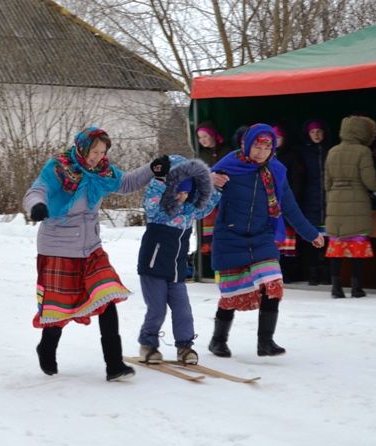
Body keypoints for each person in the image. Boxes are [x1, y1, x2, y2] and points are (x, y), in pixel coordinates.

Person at [23, 126, 152, 382]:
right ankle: (46, 347)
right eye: (94, 151)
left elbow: (127, 183)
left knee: (106, 297)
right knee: (59, 310)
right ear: (82, 147)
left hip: (90, 248)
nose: (97, 157)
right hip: (58, 247)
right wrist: (37, 206)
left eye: (102, 152)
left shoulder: (103, 172)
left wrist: (153, 168)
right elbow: (36, 191)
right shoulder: (58, 168)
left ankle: (114, 364)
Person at [208, 124, 325, 358]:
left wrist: (311, 233)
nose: (262, 152)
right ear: (247, 144)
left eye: (267, 147)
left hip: (262, 237)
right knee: (231, 294)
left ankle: (266, 342)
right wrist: (209, 180)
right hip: (230, 236)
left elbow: (289, 207)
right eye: (257, 146)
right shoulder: (227, 165)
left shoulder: (277, 172)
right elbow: (198, 189)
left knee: (273, 284)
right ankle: (218, 340)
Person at [136, 155, 226, 364]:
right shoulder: (158, 205)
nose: (181, 197)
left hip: (176, 269)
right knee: (157, 310)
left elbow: (203, 207)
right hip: (152, 266)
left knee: (183, 311)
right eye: (177, 191)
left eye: (186, 192)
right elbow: (153, 205)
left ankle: (185, 347)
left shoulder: (189, 210)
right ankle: (148, 345)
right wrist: (161, 181)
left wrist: (216, 189)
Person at [324, 115, 376, 298]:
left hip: (335, 203)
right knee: (357, 246)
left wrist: (332, 201)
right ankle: (357, 288)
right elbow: (370, 181)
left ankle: (336, 288)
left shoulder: (332, 151)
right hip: (357, 202)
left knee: (337, 246)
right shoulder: (363, 151)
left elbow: (327, 183)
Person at [194, 121, 232, 277]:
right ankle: (211, 270)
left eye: (205, 136)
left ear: (213, 135)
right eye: (199, 137)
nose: (202, 140)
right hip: (208, 200)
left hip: (226, 199)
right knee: (209, 236)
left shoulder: (227, 152)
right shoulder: (200, 155)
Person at [299, 119, 332, 285]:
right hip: (310, 198)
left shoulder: (331, 150)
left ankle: (326, 271)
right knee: (312, 237)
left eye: (319, 131)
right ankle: (312, 273)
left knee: (329, 237)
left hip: (328, 198)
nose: (316, 135)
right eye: (312, 132)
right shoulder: (304, 152)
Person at [272, 123, 306, 283]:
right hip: (269, 205)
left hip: (285, 203)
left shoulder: (291, 156)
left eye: (278, 138)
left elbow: (297, 181)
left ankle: (288, 272)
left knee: (288, 242)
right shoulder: (266, 157)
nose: (275, 141)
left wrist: (292, 201)